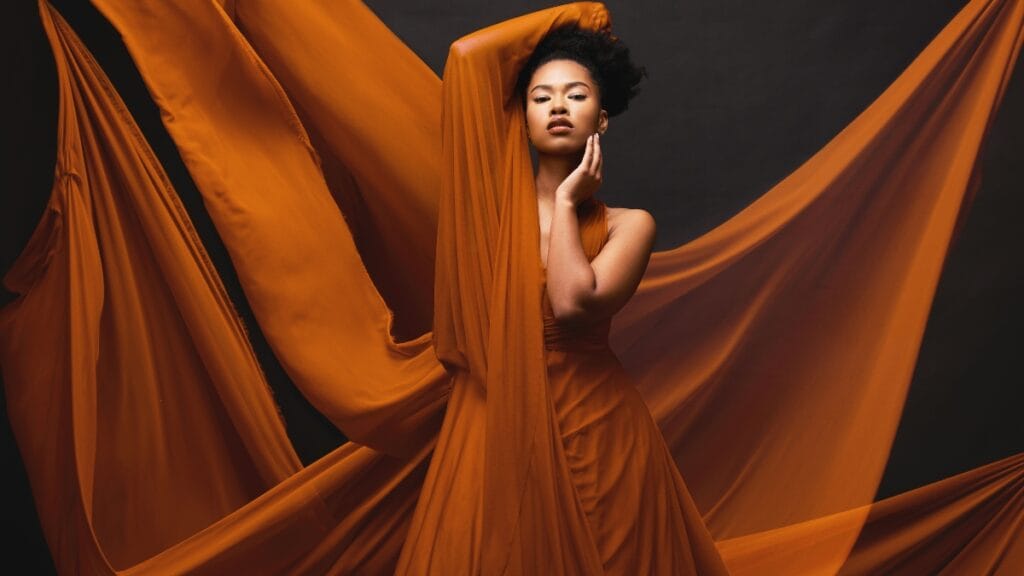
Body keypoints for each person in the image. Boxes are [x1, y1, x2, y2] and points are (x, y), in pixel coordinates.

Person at [398, 5, 731, 574]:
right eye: (539, 96)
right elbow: (465, 58)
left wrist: (568, 202)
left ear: (602, 118)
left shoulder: (632, 224)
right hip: (496, 424)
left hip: (599, 429)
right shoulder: (488, 218)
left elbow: (572, 304)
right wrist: (580, 16)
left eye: (576, 95)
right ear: (520, 118)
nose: (557, 106)